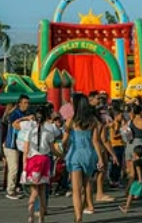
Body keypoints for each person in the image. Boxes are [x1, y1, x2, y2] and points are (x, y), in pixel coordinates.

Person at [63, 93, 105, 223]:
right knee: (86, 185)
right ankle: (82, 211)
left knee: (76, 189)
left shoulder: (71, 120)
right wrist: (100, 158)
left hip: (75, 154)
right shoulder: (92, 121)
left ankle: (78, 217)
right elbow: (96, 141)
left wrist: (64, 148)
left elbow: (64, 140)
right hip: (88, 154)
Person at [21, 106, 58, 223]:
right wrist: (61, 155)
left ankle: (31, 216)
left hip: (32, 161)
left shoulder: (29, 132)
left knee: (33, 192)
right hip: (44, 160)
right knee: (42, 191)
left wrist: (24, 165)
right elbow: (53, 150)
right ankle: (41, 217)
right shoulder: (49, 133)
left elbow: (26, 151)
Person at [118, 145, 142, 215]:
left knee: (131, 194)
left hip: (137, 180)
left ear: (134, 153)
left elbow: (138, 170)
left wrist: (139, 178)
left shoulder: (135, 162)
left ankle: (126, 208)